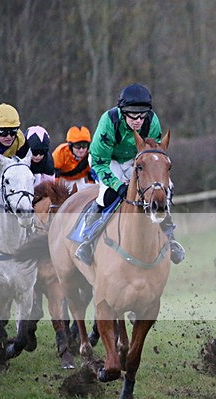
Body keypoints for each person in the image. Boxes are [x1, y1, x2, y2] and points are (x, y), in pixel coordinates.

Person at [75, 83, 185, 265]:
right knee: (107, 195)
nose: (138, 120)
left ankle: (170, 238)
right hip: (107, 161)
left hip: (136, 159)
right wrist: (118, 186)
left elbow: (154, 154)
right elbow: (99, 163)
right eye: (132, 115)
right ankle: (87, 240)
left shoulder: (152, 121)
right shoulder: (108, 122)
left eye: (142, 115)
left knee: (160, 191)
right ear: (122, 111)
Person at [53, 125, 96, 192]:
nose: (81, 150)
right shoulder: (60, 152)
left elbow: (92, 177)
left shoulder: (91, 154)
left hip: (79, 181)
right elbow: (54, 176)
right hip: (62, 181)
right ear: (70, 146)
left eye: (84, 145)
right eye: (77, 146)